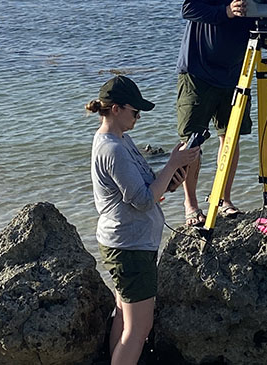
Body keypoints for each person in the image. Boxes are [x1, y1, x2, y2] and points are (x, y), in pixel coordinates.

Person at [87, 74, 199, 365]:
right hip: (129, 247)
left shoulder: (121, 140)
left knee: (124, 317)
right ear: (116, 109)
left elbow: (149, 186)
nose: (138, 117)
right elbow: (144, 199)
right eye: (135, 112)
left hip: (128, 243)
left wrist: (173, 177)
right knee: (139, 330)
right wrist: (173, 163)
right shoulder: (111, 149)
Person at [176, 0, 267, 227]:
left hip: (236, 73)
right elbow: (188, 8)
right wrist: (225, 11)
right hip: (198, 70)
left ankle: (223, 199)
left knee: (231, 136)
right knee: (192, 140)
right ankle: (191, 206)